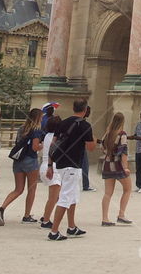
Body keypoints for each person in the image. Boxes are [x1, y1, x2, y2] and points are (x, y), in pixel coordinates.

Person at [46, 99, 96, 241]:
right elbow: (91, 147)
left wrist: (50, 165)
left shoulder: (62, 123)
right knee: (66, 197)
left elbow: (53, 144)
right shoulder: (85, 125)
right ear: (85, 109)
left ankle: (72, 227)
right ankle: (54, 231)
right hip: (72, 165)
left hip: (61, 163)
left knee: (72, 195)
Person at [0, 108, 43, 225]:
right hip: (30, 160)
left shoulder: (22, 128)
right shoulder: (36, 130)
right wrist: (43, 145)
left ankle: (2, 208)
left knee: (18, 189)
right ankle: (26, 215)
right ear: (38, 118)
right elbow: (34, 147)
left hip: (18, 160)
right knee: (31, 189)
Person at [100, 112, 133, 226]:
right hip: (118, 165)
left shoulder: (108, 133)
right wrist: (125, 167)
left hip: (108, 164)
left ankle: (105, 218)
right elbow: (123, 152)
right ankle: (121, 214)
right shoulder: (122, 134)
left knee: (107, 193)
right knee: (128, 189)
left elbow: (102, 147)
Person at [38, 116, 62, 229]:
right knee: (53, 198)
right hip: (53, 168)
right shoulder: (56, 138)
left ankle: (45, 216)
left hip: (44, 165)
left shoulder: (47, 136)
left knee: (53, 197)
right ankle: (46, 220)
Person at [81, 105, 96, 193]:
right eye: (88, 111)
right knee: (84, 166)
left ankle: (85, 184)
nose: (89, 113)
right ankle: (86, 185)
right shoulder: (85, 124)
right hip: (81, 148)